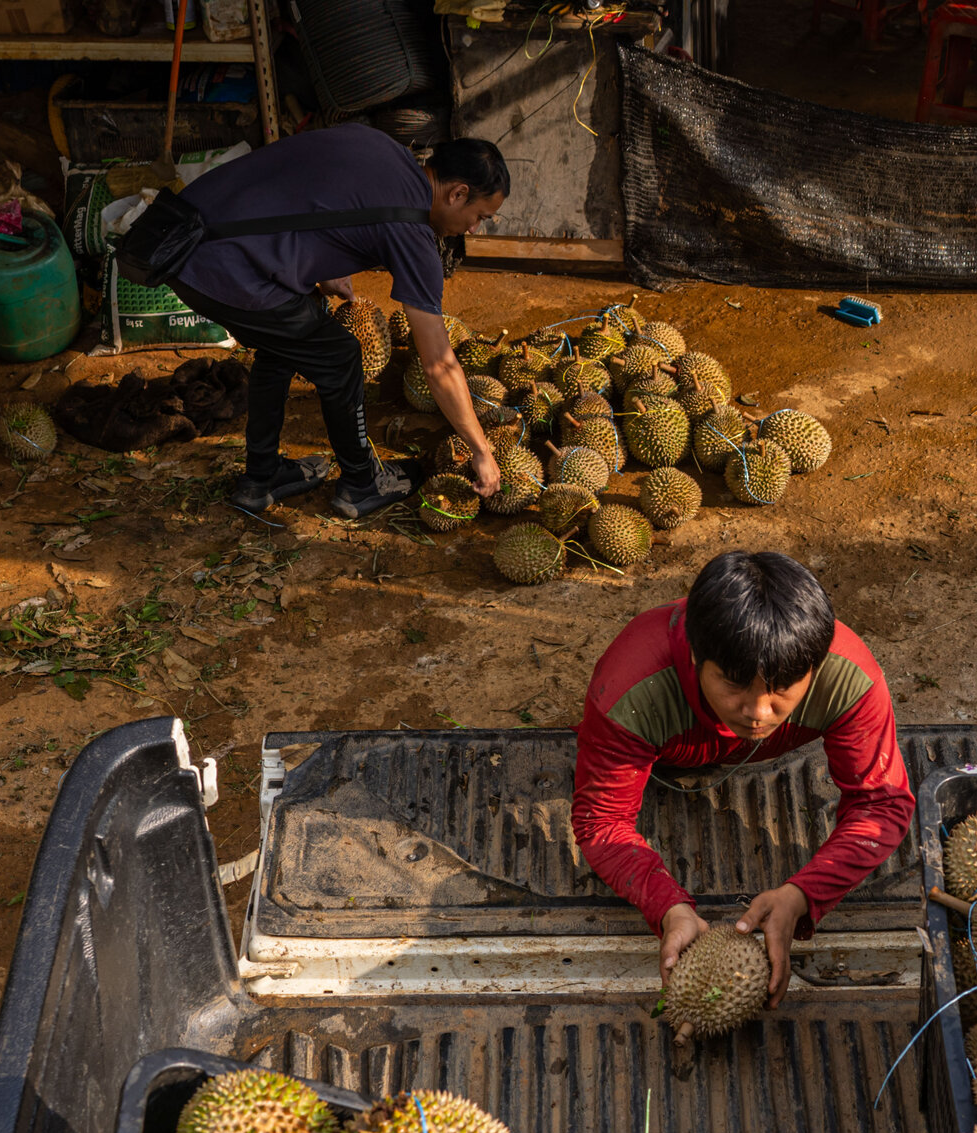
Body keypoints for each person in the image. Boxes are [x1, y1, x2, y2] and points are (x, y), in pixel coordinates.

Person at [573, 552, 914, 1005]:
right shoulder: (631, 688)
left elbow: (882, 802)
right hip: (668, 748)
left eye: (781, 689)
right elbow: (601, 821)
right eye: (733, 685)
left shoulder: (849, 677)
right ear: (696, 657)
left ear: (813, 668)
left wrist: (802, 896)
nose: (758, 712)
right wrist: (667, 906)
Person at [163, 131, 512, 519]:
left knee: (283, 343)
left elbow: (312, 185)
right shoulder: (412, 231)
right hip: (223, 265)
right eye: (479, 217)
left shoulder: (382, 147)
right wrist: (482, 450)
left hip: (181, 234)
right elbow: (439, 365)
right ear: (457, 194)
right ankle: (361, 484)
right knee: (340, 355)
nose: (474, 230)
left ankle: (259, 480)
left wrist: (323, 263)